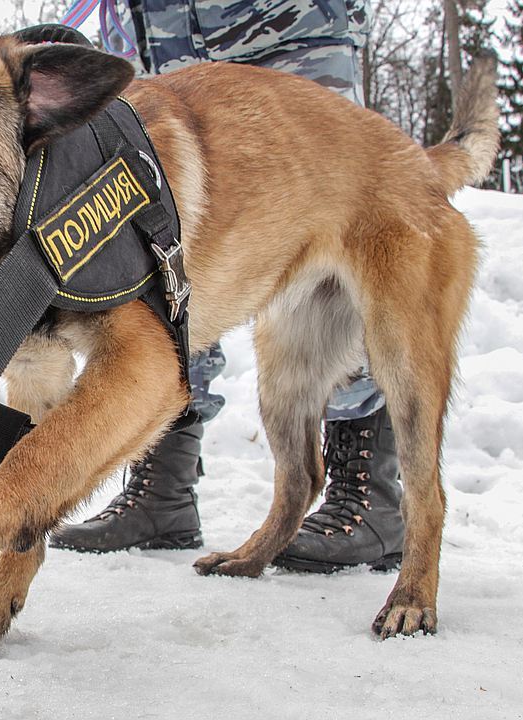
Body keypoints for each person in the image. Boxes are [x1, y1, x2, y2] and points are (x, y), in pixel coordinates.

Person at [49, 0, 405, 574]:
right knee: (160, 263)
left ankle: (366, 498)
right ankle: (161, 490)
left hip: (286, 30)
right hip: (155, 40)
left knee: (339, 246)